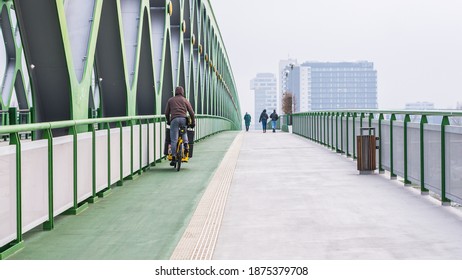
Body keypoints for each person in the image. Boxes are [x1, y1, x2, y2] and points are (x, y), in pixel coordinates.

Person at [165, 86, 195, 166]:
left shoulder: (170, 100)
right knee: (184, 133)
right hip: (183, 119)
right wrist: (193, 123)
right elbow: (192, 113)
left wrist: (168, 121)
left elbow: (167, 113)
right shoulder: (185, 100)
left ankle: (174, 156)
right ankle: (186, 145)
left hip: (174, 120)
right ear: (182, 92)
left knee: (174, 139)